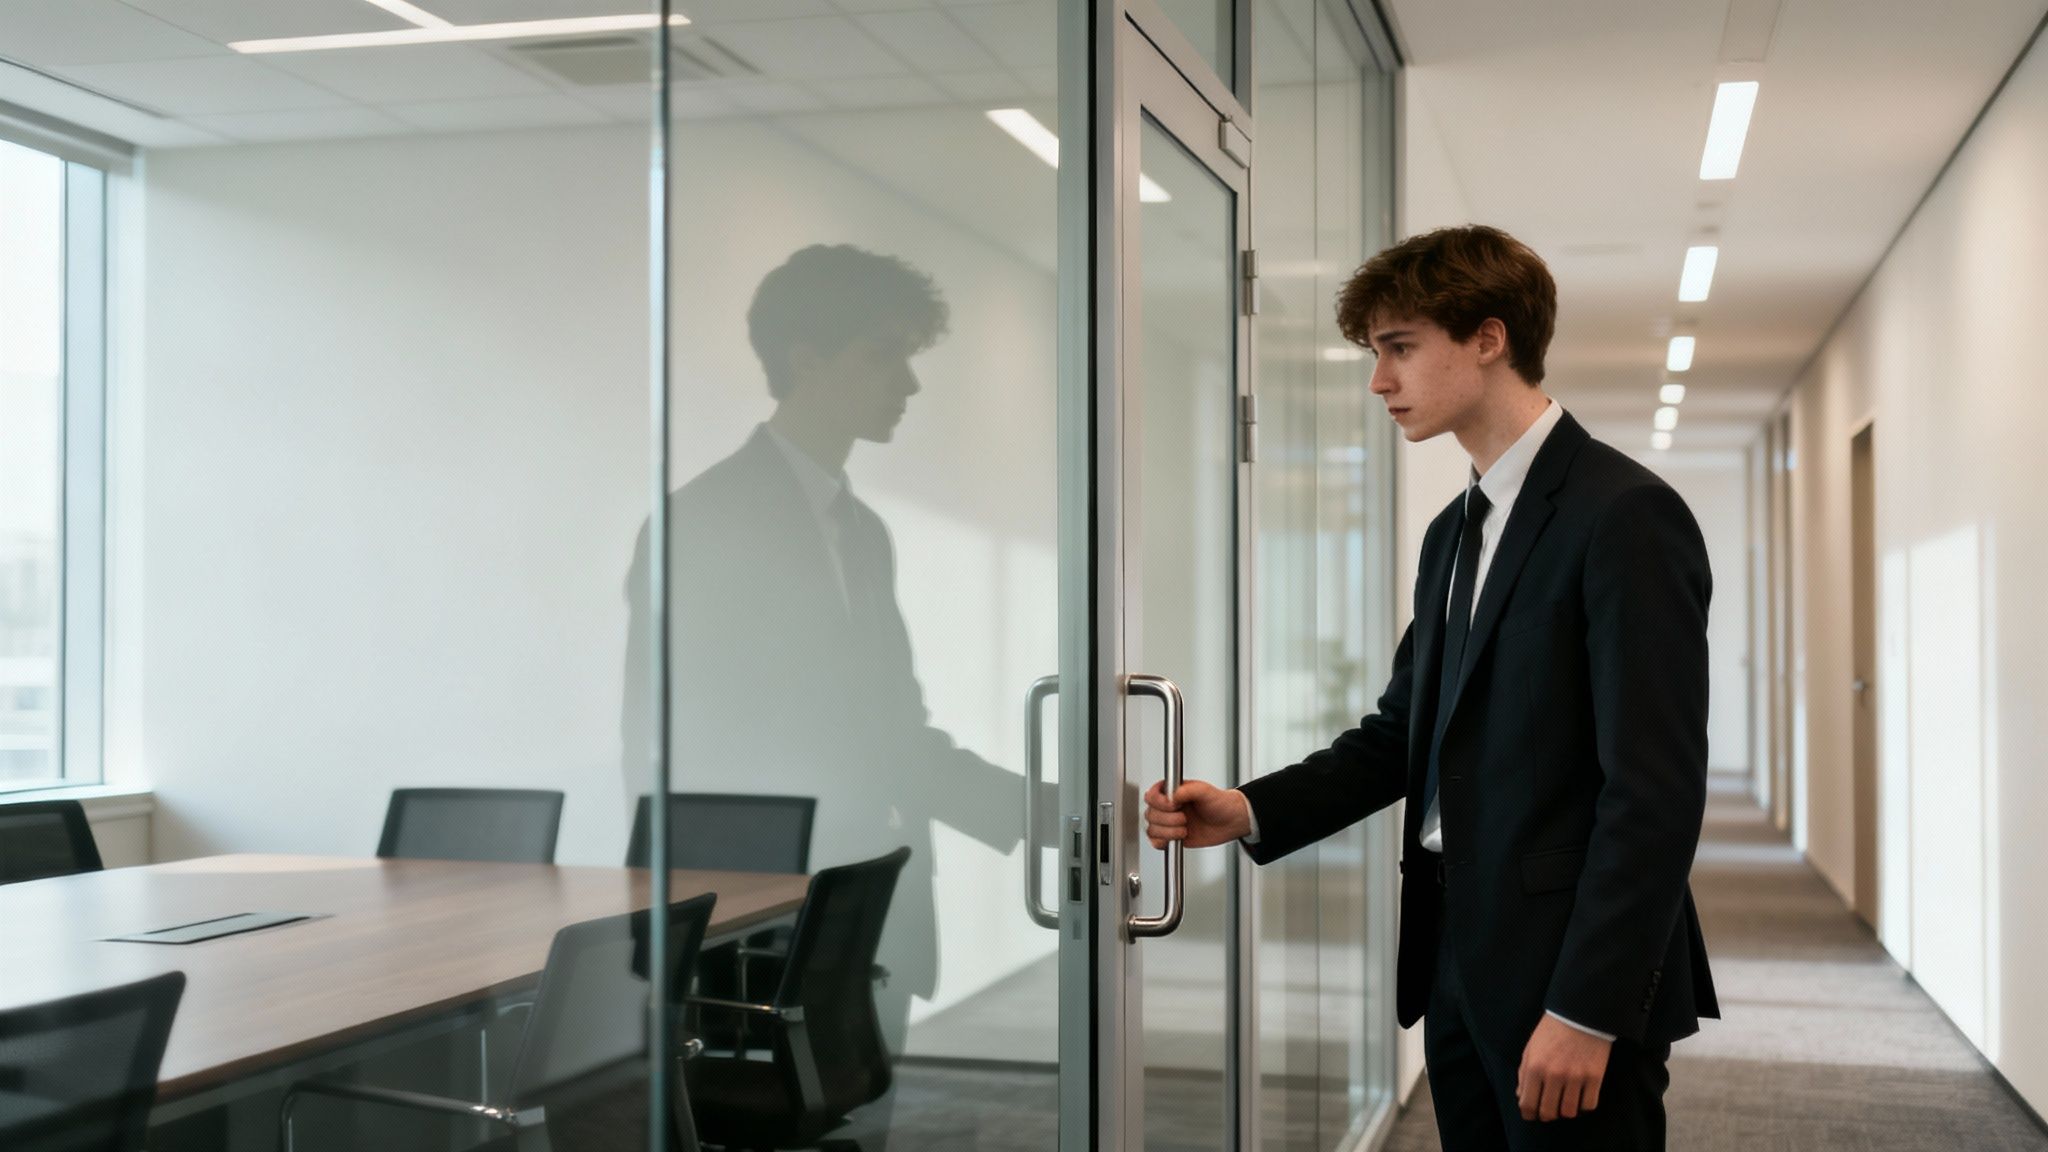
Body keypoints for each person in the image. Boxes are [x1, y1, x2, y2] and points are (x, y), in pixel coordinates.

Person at [1144, 225, 1719, 1150]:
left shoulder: (1625, 517)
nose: (1379, 381)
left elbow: (1652, 793)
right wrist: (1248, 808)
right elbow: (1402, 734)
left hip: (1567, 969)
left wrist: (1588, 1008)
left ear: (1488, 339)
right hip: (1455, 951)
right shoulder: (1454, 532)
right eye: (1377, 353)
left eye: (1399, 348)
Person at [620, 244, 1026, 1144]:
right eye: (885, 354)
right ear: (806, 357)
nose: (910, 384)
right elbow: (661, 738)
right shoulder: (703, 521)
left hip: (863, 911)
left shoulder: (862, 530)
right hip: (757, 921)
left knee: (856, 1131)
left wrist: (1045, 814)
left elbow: (889, 729)